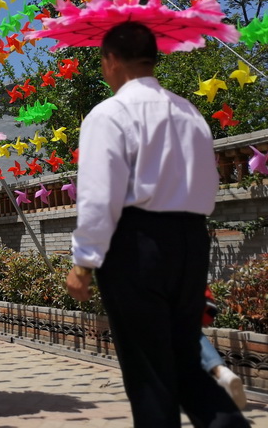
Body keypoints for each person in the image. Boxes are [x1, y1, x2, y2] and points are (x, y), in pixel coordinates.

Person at [65, 21, 248, 427]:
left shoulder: (109, 114)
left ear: (111, 60)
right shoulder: (190, 111)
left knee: (149, 374)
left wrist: (84, 263)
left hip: (136, 246)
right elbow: (209, 182)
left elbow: (99, 197)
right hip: (189, 240)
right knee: (184, 360)